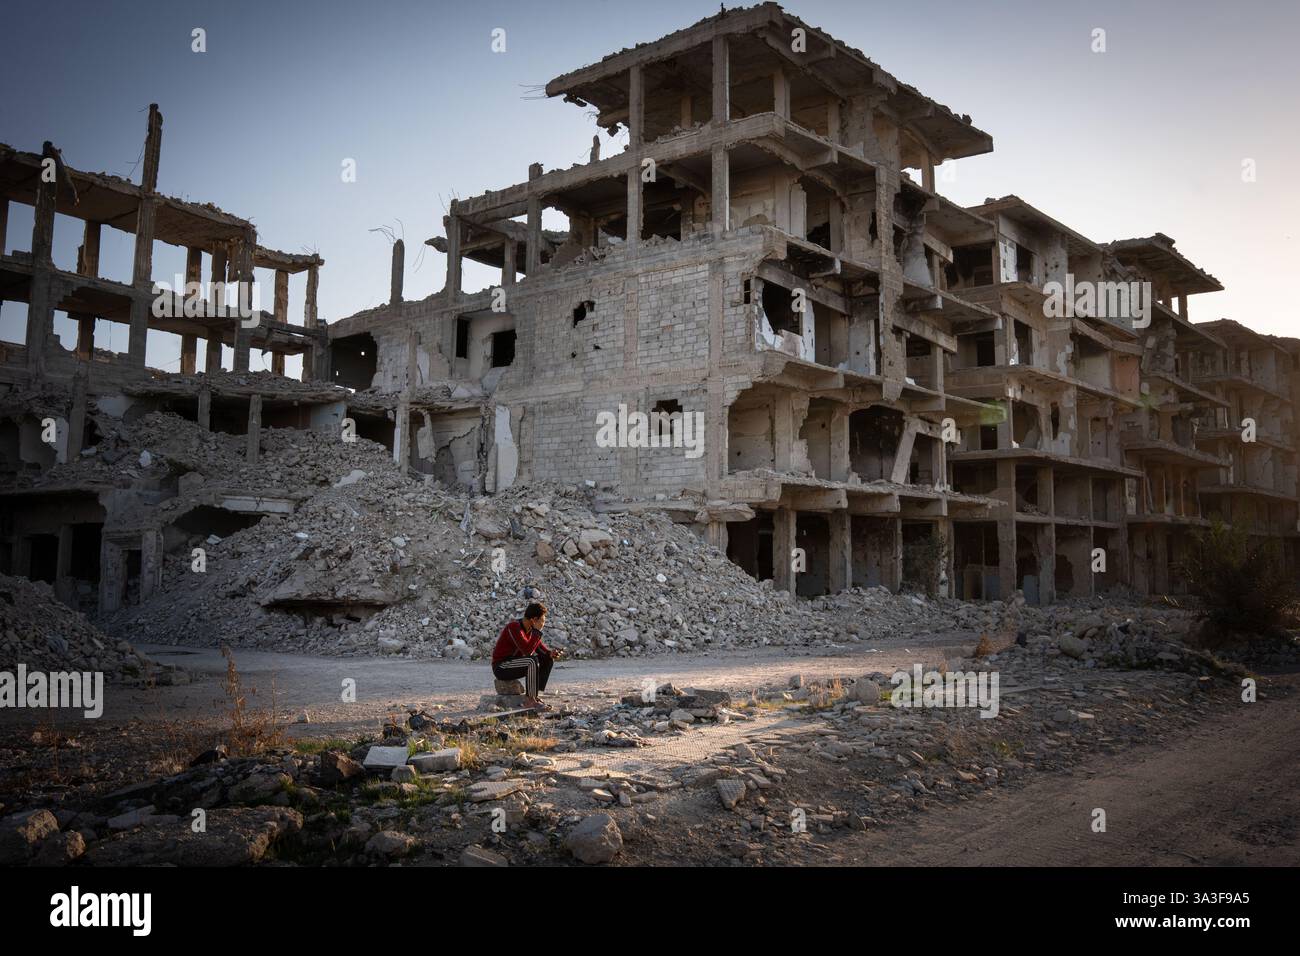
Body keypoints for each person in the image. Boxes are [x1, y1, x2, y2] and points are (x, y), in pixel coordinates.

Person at [491, 602, 562, 710]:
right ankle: (530, 701)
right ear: (534, 620)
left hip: (516, 663)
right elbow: (527, 651)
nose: (543, 624)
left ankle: (535, 696)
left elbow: (541, 650)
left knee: (547, 660)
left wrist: (551, 653)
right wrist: (537, 631)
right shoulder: (514, 627)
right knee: (531, 661)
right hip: (502, 667)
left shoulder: (530, 631)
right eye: (542, 621)